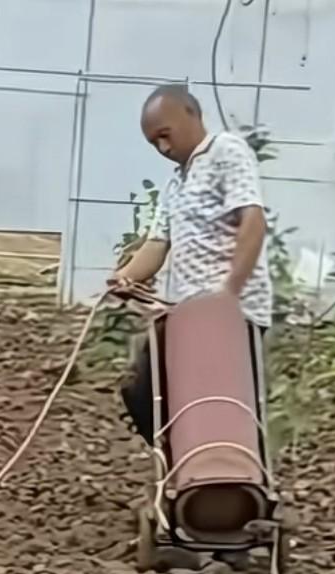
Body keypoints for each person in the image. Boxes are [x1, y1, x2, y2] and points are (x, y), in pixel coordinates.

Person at [108, 86, 271, 444]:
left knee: (226, 409)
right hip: (187, 315)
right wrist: (124, 277)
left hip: (233, 312)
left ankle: (237, 473)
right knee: (141, 391)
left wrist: (228, 294)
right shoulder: (175, 184)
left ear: (191, 114)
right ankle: (179, 461)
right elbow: (157, 244)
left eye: (165, 135)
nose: (163, 147)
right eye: (154, 143)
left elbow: (253, 220)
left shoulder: (226, 151)